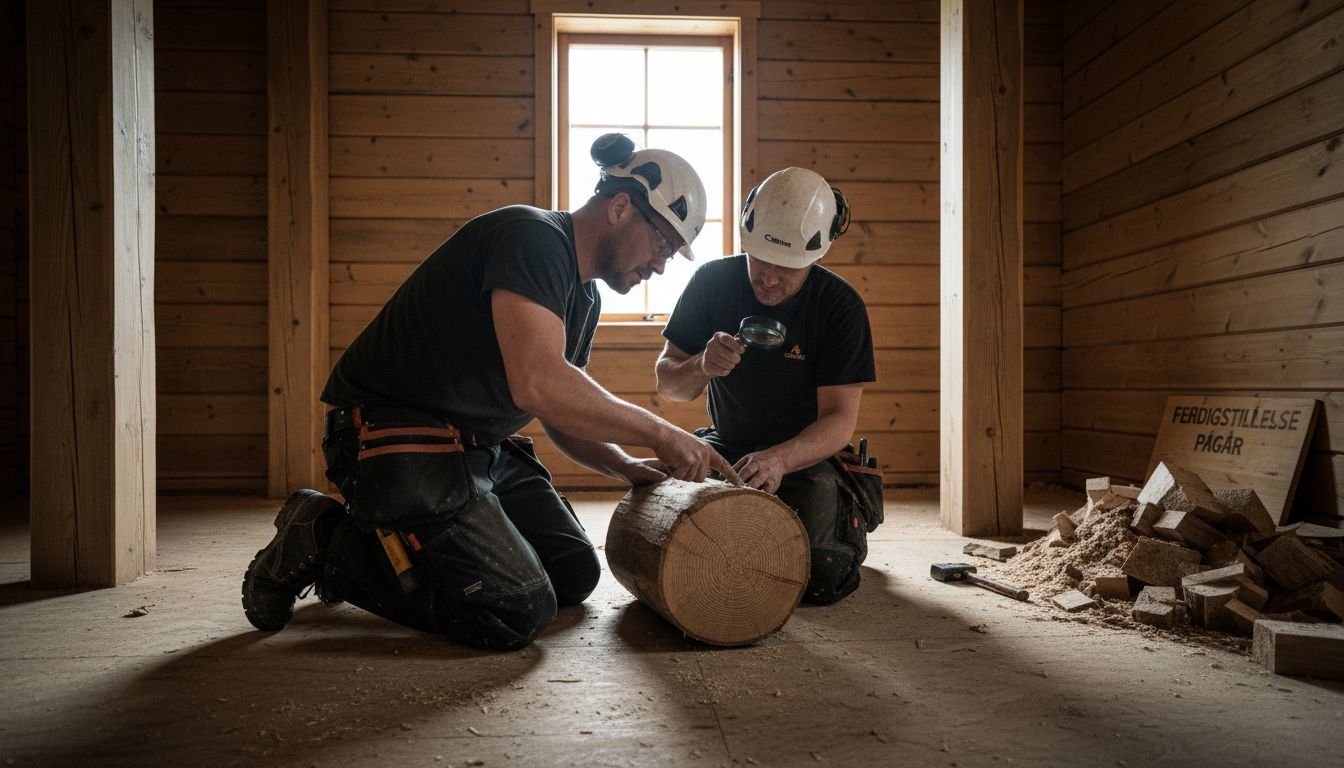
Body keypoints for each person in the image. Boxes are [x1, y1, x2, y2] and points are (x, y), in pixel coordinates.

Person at [241, 134, 740, 650]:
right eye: (662, 244)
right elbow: (539, 382)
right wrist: (661, 433)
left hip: (474, 447)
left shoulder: (584, 297)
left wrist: (624, 465)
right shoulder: (532, 236)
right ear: (620, 208)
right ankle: (325, 538)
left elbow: (558, 406)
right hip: (389, 435)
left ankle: (415, 545)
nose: (661, 265)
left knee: (571, 575)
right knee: (513, 610)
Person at [655, 167, 877, 604]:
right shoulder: (712, 282)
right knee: (679, 545)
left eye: (786, 268)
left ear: (815, 257)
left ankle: (846, 519)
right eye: (759, 260)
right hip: (727, 444)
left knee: (819, 576)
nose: (769, 278)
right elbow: (669, 385)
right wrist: (701, 364)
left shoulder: (839, 306)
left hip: (804, 458)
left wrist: (779, 460)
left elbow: (839, 421)